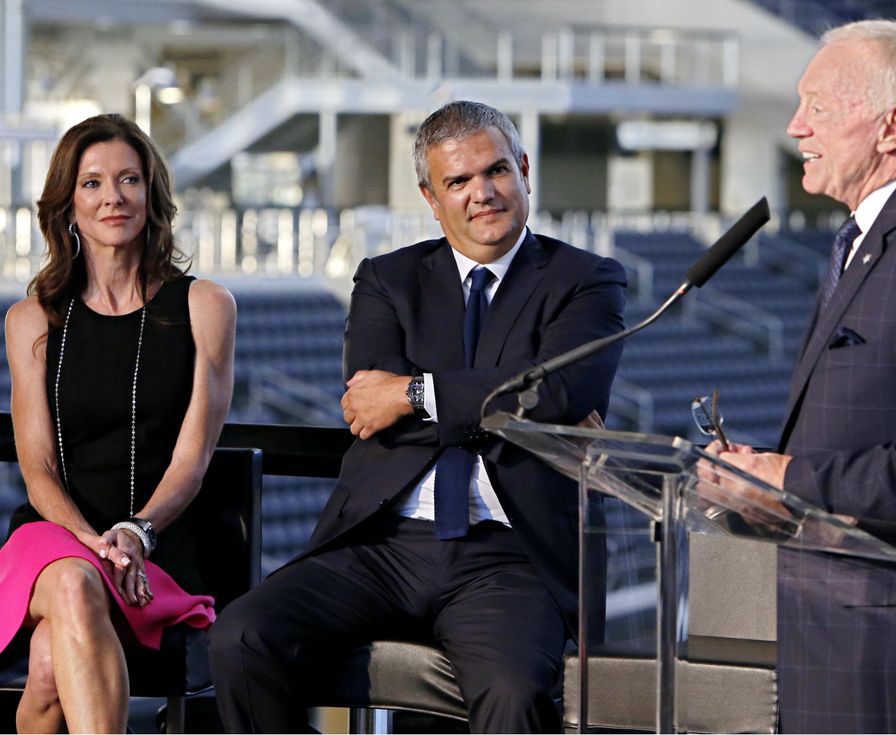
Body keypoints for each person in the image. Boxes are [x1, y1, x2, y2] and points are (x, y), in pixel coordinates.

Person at [209, 100, 627, 732]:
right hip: (382, 544)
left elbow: (562, 392)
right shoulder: (387, 278)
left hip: (508, 555)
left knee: (515, 693)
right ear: (432, 198)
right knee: (241, 638)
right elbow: (369, 403)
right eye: (459, 182)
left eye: (496, 172)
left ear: (525, 170)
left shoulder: (585, 279)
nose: (482, 194)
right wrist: (509, 399)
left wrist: (415, 394)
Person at [709, 20, 896, 733]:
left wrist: (789, 477)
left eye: (818, 107)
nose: (797, 125)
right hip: (836, 635)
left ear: (892, 125)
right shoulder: (870, 235)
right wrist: (766, 486)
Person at [0, 113, 236, 733]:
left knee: (50, 663)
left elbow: (192, 459)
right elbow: (39, 470)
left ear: (152, 195)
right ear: (67, 205)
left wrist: (134, 534)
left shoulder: (206, 307)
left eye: (129, 180)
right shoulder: (31, 320)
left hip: (159, 543)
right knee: (75, 586)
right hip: (55, 537)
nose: (113, 198)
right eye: (93, 183)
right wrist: (91, 541)